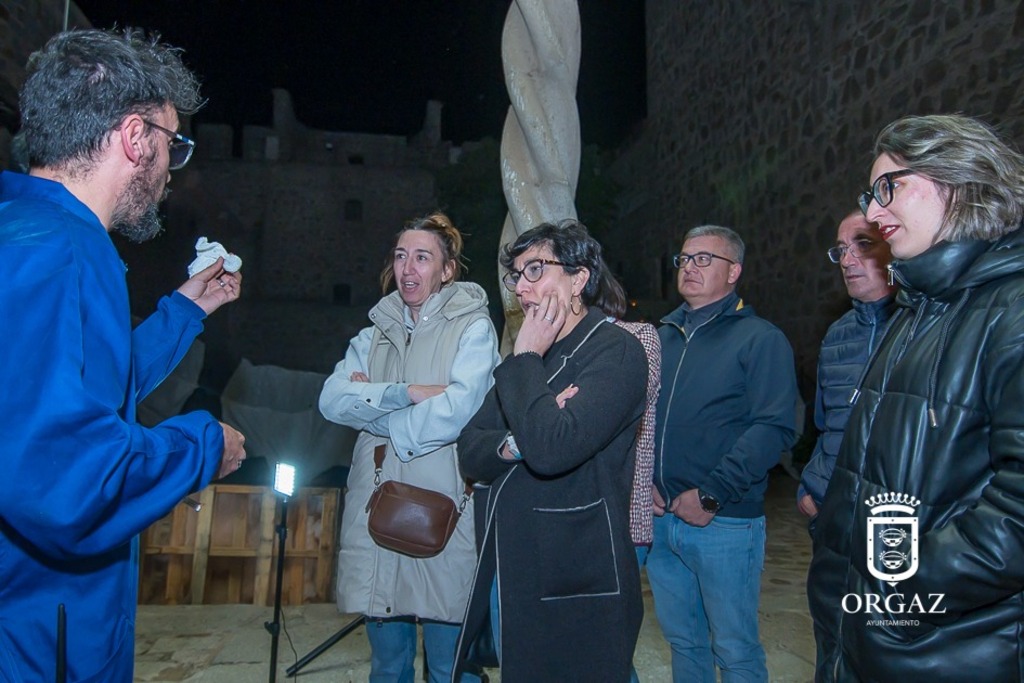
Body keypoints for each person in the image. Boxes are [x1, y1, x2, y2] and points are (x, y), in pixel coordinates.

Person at [0, 28, 246, 682]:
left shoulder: (28, 232)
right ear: (136, 138)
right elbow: (68, 476)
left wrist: (184, 312)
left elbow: (81, 389)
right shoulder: (59, 253)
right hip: (36, 641)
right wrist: (202, 445)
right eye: (173, 145)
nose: (170, 171)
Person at [808, 114, 1024, 681]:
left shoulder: (1013, 311)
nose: (874, 215)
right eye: (870, 196)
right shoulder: (914, 313)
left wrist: (902, 578)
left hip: (946, 646)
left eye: (888, 188)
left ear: (956, 177)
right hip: (863, 632)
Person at [453, 220, 648, 681]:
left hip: (579, 572)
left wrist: (526, 361)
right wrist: (515, 442)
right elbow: (470, 449)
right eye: (516, 275)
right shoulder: (529, 358)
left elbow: (551, 450)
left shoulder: (616, 352)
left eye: (536, 270)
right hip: (518, 565)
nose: (521, 287)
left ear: (579, 278)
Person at [319, 212, 499, 683]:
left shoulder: (473, 329)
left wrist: (376, 412)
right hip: (376, 512)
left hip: (444, 510)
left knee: (449, 667)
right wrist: (409, 393)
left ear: (446, 269)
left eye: (422, 257)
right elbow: (332, 400)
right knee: (387, 666)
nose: (408, 268)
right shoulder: (373, 333)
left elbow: (461, 409)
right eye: (401, 256)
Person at [648, 225, 798, 682]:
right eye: (684, 258)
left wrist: (711, 493)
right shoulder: (661, 337)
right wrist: (643, 481)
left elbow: (774, 428)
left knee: (734, 650)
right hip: (662, 518)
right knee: (684, 643)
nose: (689, 267)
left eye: (704, 259)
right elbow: (641, 418)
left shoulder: (760, 339)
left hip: (725, 520)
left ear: (734, 271)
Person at [797, 211, 896, 522]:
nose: (846, 260)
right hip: (832, 513)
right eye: (841, 250)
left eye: (862, 244)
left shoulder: (925, 325)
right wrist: (811, 487)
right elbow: (826, 426)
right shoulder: (836, 334)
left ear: (895, 246)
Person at [593, 269, 661, 683]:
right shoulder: (552, 344)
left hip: (621, 517)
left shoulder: (638, 337)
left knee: (610, 653)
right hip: (571, 522)